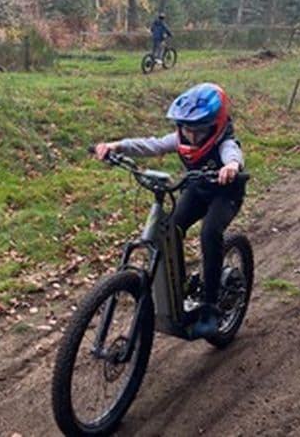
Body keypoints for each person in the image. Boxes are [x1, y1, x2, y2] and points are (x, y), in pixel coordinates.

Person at [95, 83, 246, 338]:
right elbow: (151, 145)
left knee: (210, 233)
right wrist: (117, 146)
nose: (192, 136)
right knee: (171, 229)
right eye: (187, 129)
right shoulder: (179, 139)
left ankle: (210, 307)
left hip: (225, 195)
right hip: (198, 189)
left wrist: (231, 167)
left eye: (199, 130)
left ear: (215, 126)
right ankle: (179, 285)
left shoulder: (225, 143)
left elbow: (233, 155)